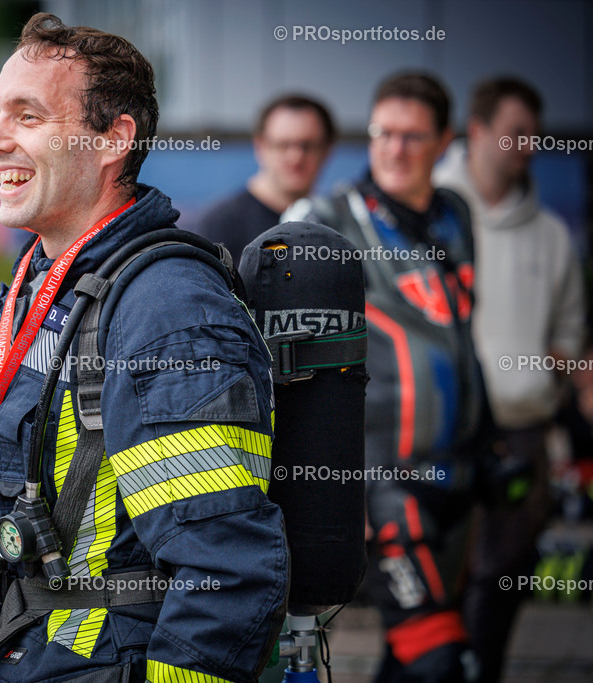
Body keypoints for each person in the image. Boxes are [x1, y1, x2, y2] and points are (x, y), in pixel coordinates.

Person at [0, 12, 287, 683]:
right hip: (26, 652)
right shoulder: (46, 279)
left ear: (111, 140)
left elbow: (226, 573)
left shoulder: (168, 311)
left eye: (27, 116)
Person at [284, 72, 486, 682]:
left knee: (407, 657)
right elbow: (289, 367)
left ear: (444, 140)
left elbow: (462, 338)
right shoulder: (324, 217)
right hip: (376, 480)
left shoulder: (456, 215)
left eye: (412, 136)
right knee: (441, 658)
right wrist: (333, 488)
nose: (395, 149)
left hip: (453, 473)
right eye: (383, 133)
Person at [434, 76, 586, 682]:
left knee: (502, 583)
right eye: (516, 132)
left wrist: (560, 365)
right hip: (437, 439)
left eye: (535, 134)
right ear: (477, 131)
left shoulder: (551, 236)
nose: (529, 144)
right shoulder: (430, 212)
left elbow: (570, 338)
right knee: (437, 585)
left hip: (522, 439)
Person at [197, 94, 334, 262]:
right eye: (283, 145)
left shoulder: (335, 225)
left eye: (307, 145)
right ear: (260, 146)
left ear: (327, 149)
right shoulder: (219, 226)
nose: (296, 157)